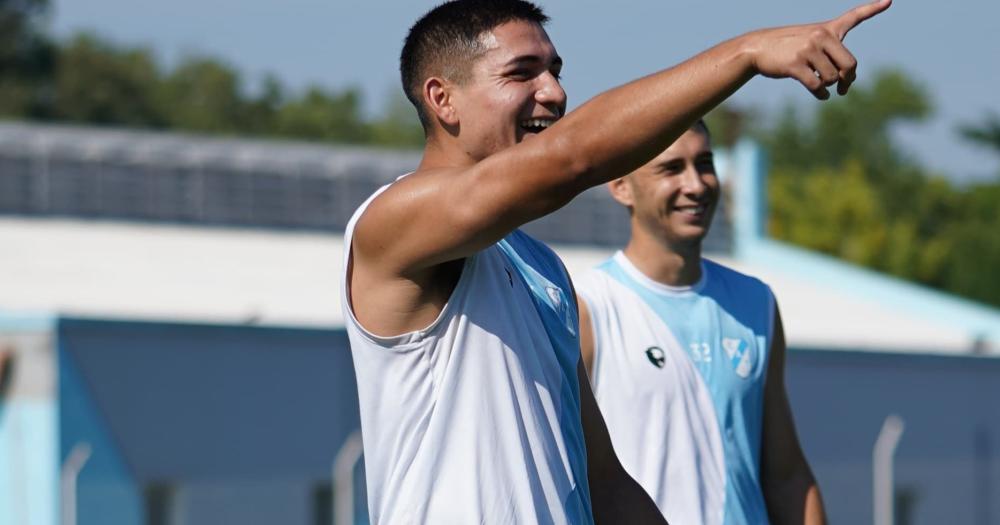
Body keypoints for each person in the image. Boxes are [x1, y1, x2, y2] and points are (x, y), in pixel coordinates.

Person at [340, 0, 888, 522]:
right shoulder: (391, 224)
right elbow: (570, 159)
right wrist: (746, 53)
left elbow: (604, 482)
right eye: (522, 73)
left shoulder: (541, 269)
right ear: (443, 99)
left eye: (555, 70)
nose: (554, 92)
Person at [575, 121, 826, 524]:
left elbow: (786, 476)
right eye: (672, 168)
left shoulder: (755, 301)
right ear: (621, 186)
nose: (696, 184)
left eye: (705, 164)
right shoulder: (586, 307)